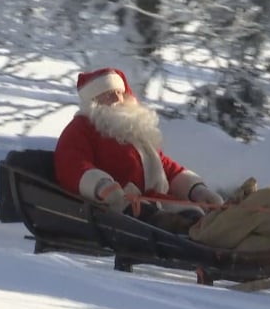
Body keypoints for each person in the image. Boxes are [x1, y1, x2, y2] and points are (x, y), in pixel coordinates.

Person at [54, 67, 223, 231]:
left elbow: (164, 167)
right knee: (163, 224)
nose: (117, 98)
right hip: (119, 207)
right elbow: (72, 164)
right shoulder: (81, 128)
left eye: (120, 92)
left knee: (195, 217)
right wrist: (102, 186)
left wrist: (197, 191)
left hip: (159, 201)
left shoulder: (132, 129)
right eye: (108, 94)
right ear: (94, 101)